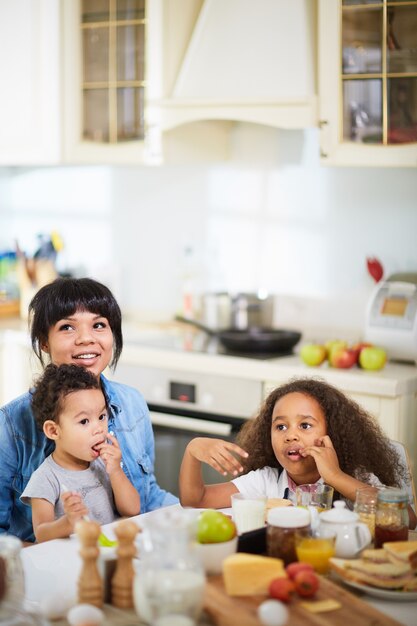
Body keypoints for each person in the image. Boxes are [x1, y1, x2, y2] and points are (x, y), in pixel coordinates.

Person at [0, 277, 178, 543]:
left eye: (98, 325)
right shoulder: (11, 423)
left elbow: (149, 495)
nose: (86, 339)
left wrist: (192, 514)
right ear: (44, 342)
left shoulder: (133, 403)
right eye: (67, 327)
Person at [179, 378, 417, 529]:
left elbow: (407, 518)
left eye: (305, 426)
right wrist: (192, 450)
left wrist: (335, 477)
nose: (290, 435)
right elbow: (196, 500)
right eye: (280, 426)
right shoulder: (268, 480)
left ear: (332, 432)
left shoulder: (354, 477)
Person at [21, 364, 141, 542]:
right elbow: (41, 533)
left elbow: (132, 510)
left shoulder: (103, 463)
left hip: (109, 551)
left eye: (101, 417)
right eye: (84, 421)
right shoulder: (46, 478)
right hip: (73, 561)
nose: (98, 429)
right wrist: (68, 523)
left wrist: (115, 470)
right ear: (54, 431)